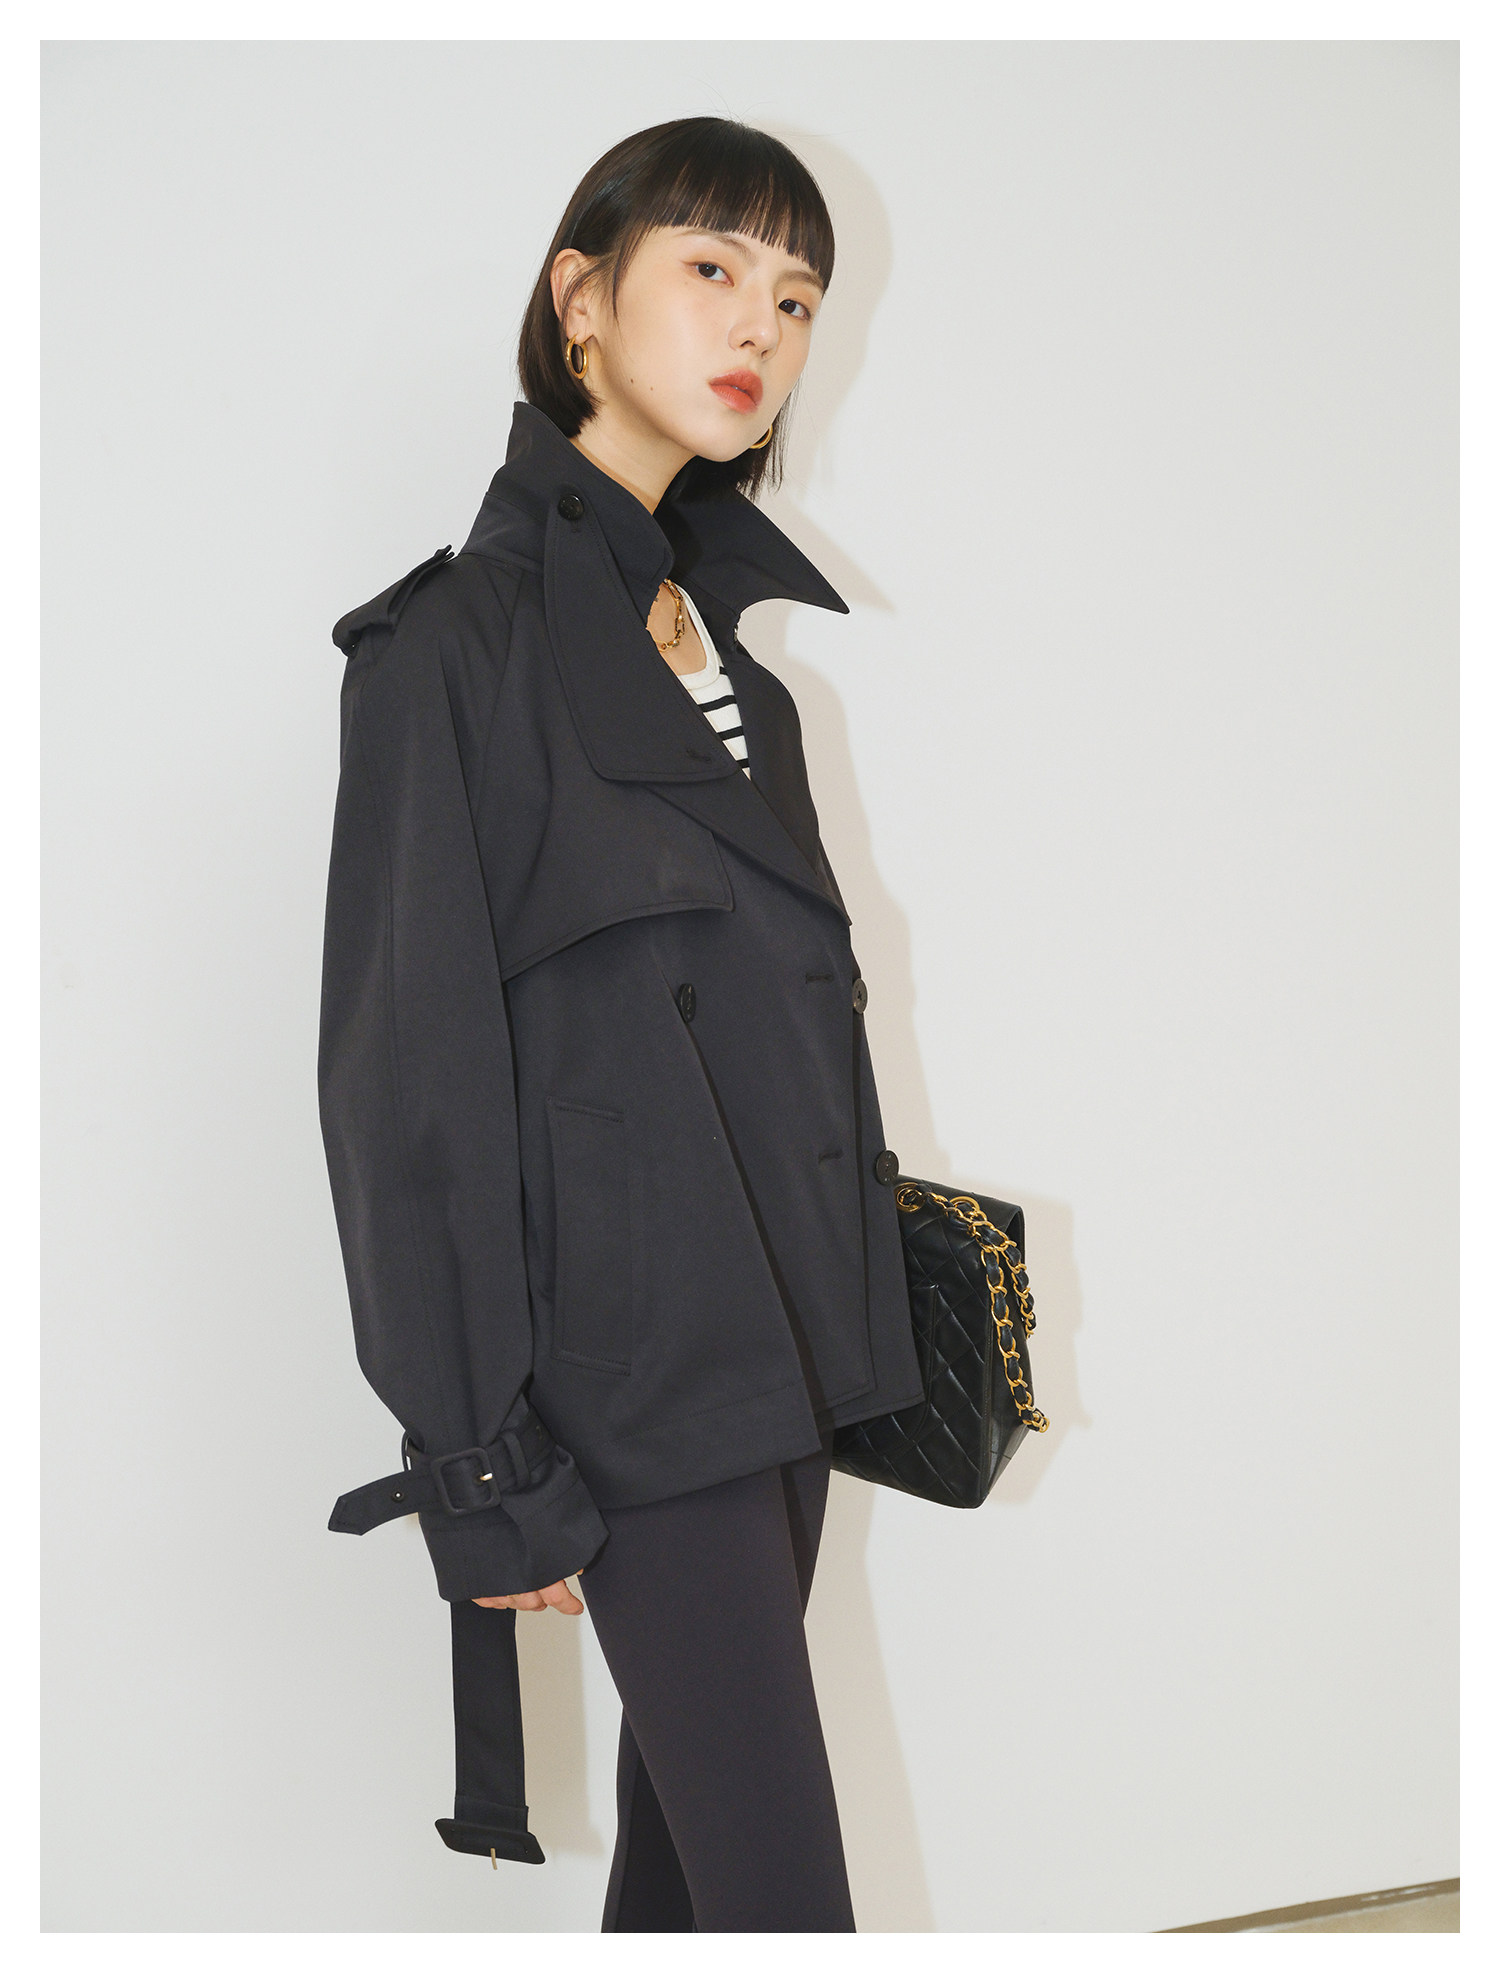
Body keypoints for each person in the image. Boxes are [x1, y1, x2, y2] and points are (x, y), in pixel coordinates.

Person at [318, 116, 923, 1933]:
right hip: (633, 1384)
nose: (763, 326)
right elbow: (407, 1088)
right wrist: (480, 1462)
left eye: (798, 296)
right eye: (713, 267)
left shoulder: (748, 680)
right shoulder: (448, 655)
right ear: (580, 299)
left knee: (690, 1886)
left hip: (790, 1351)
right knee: (783, 1905)